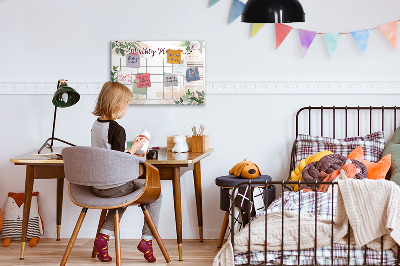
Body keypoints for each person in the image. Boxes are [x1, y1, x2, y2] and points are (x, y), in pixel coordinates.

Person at [91, 81, 161, 263]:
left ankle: (103, 238)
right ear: (117, 105)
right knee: (156, 194)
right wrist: (135, 149)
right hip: (114, 186)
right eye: (127, 105)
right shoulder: (117, 129)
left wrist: (130, 149)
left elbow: (108, 154)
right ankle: (147, 240)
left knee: (122, 198)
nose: (127, 109)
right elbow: (118, 161)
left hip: (97, 186)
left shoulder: (96, 125)